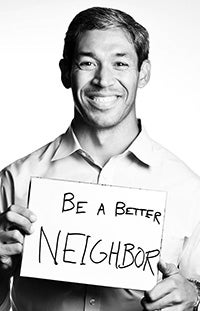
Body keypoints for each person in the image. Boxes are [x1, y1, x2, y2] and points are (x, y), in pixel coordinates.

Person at [0, 6, 200, 311]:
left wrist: (195, 295)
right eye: (87, 63)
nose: (103, 79)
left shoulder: (187, 187)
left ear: (143, 73)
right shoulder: (15, 179)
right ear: (66, 72)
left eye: (120, 63)